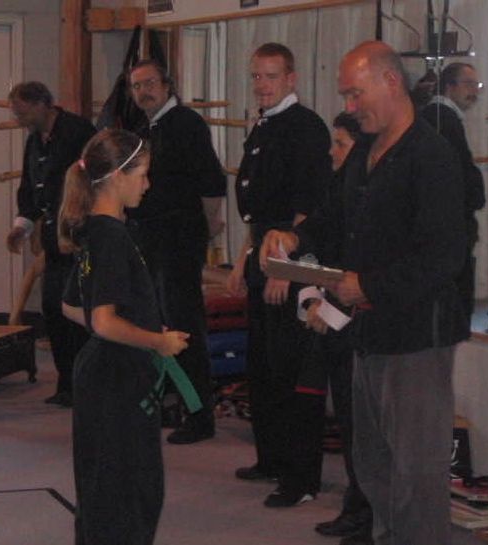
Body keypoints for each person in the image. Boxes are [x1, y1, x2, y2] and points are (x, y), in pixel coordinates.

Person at [260, 40, 469, 543]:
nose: (350, 106)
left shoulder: (431, 156)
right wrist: (293, 238)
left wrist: (368, 285)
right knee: (373, 463)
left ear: (391, 82)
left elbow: (445, 256)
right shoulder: (364, 153)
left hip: (416, 338)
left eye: (356, 94)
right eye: (345, 96)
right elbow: (331, 218)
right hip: (368, 332)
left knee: (416, 473)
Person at [59, 129, 191, 545]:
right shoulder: (111, 236)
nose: (147, 185)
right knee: (125, 492)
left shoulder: (97, 231)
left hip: (105, 374)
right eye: (142, 174)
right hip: (117, 381)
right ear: (117, 176)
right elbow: (102, 321)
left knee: (108, 487)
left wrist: (140, 327)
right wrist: (156, 341)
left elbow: (70, 306)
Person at [226, 42, 332, 507]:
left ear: (291, 78)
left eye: (270, 76)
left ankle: (300, 478)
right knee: (263, 369)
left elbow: (308, 209)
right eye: (256, 76)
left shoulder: (306, 128)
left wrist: (283, 270)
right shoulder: (264, 125)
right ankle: (270, 458)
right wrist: (241, 261)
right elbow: (257, 212)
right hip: (262, 258)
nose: (261, 85)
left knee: (292, 374)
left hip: (291, 265)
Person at [125, 59, 227, 444]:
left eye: (149, 83)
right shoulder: (143, 130)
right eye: (136, 86)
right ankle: (171, 402)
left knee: (184, 326)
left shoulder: (186, 124)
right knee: (160, 324)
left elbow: (212, 181)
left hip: (179, 238)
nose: (143, 91)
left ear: (167, 84)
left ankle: (199, 415)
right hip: (150, 238)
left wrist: (208, 226)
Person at [6, 81, 97, 407]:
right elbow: (30, 187)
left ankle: (87, 382)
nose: (18, 119)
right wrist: (22, 226)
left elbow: (95, 179)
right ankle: (66, 382)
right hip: (52, 236)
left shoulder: (78, 131)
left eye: (21, 112)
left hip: (80, 234)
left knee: (78, 310)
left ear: (41, 104)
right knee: (53, 309)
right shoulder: (34, 142)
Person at [307, 113, 372, 543]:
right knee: (349, 424)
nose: (332, 151)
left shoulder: (366, 198)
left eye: (341, 143)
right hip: (333, 315)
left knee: (361, 427)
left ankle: (364, 514)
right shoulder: (336, 190)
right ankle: (356, 507)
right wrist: (311, 298)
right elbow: (320, 249)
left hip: (358, 325)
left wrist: (328, 310)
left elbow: (357, 273)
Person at [420, 62, 486, 323]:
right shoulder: (441, 117)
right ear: (449, 86)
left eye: (476, 85)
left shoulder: (441, 116)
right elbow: (456, 173)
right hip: (448, 222)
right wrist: (475, 195)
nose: (474, 91)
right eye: (469, 84)